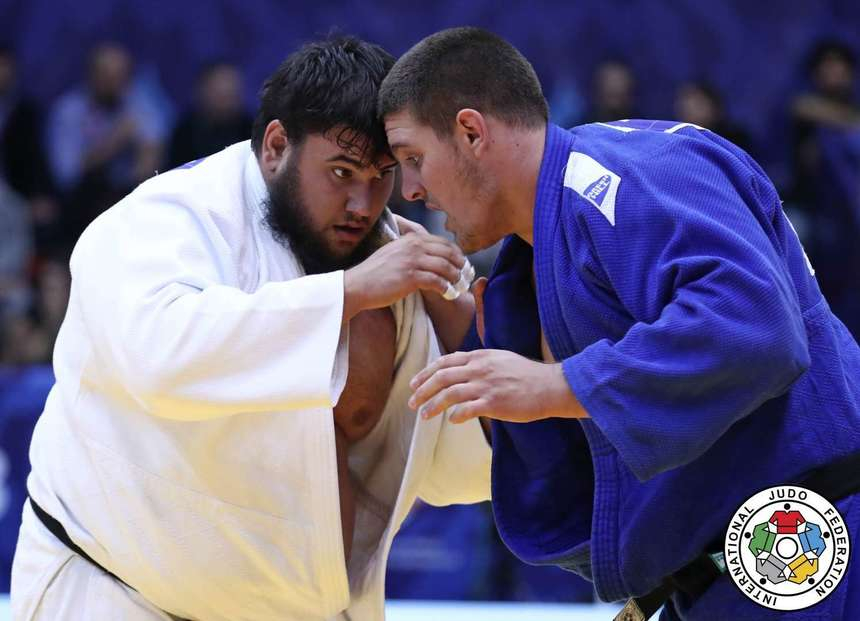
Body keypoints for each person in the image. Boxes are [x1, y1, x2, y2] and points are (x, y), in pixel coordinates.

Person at [380, 27, 860, 620]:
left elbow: (755, 324)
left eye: (412, 159)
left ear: (472, 132)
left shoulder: (628, 173)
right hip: (734, 571)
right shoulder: (545, 243)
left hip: (808, 548)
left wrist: (557, 387)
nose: (411, 189)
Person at [11, 35, 490, 621]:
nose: (363, 203)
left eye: (380, 175)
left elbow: (451, 472)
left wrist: (465, 336)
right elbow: (160, 358)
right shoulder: (161, 218)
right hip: (116, 585)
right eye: (340, 171)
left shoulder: (395, 260)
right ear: (276, 146)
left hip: (303, 606)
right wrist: (348, 293)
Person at [166, 61, 253, 170]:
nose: (226, 104)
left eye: (231, 95)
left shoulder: (252, 131)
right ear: (202, 92)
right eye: (220, 95)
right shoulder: (184, 134)